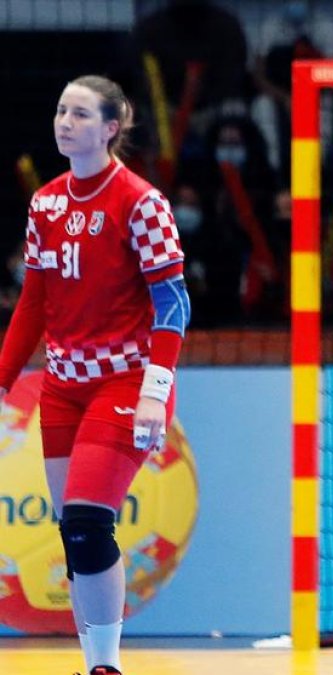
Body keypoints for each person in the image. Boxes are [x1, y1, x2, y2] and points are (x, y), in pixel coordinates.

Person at [0, 75, 191, 675]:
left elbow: (174, 304)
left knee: (86, 521)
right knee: (74, 536)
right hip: (61, 388)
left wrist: (156, 391)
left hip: (126, 382)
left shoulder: (140, 202)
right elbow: (32, 304)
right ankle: (94, 662)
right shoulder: (46, 202)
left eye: (80, 114)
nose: (64, 122)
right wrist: (3, 381)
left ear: (112, 127)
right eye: (60, 111)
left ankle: (106, 667)